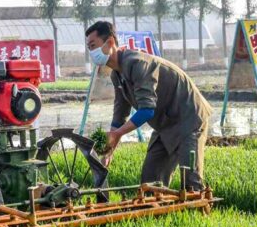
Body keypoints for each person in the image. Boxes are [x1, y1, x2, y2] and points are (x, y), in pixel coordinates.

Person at [85, 21, 212, 190]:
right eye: (89, 48)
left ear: (110, 42)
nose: (91, 52)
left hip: (188, 118)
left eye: (93, 46)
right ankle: (158, 213)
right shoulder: (117, 74)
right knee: (151, 180)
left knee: (190, 180)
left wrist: (117, 134)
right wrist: (110, 150)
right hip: (165, 124)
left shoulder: (138, 64)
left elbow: (146, 110)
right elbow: (120, 114)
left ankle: (201, 213)